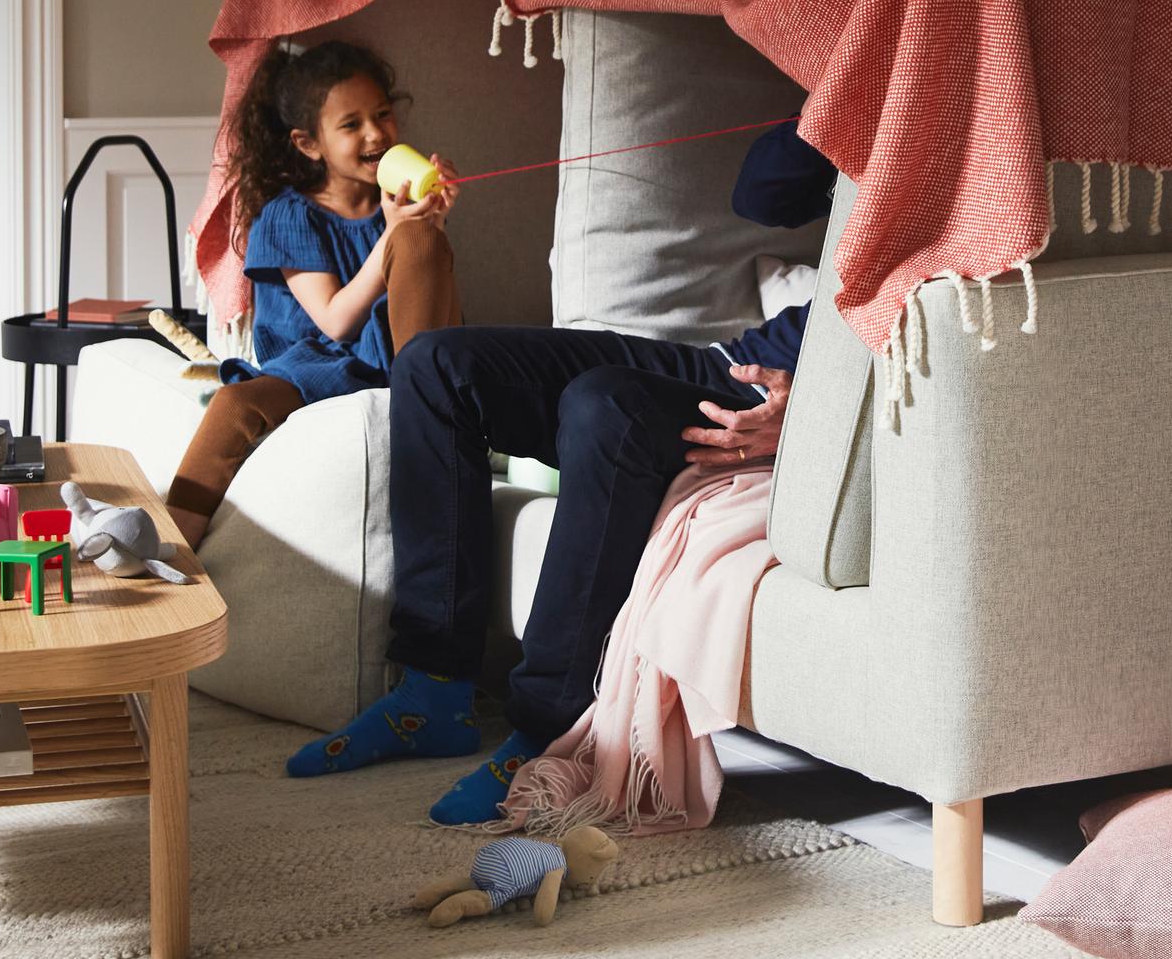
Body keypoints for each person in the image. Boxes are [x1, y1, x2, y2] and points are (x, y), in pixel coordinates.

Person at [286, 120, 838, 825]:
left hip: (788, 393)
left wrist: (814, 409)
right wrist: (845, 89)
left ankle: (547, 730)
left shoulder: (986, 167)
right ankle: (431, 693)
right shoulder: (886, 100)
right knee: (436, 365)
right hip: (726, 362)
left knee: (602, 403)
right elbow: (764, 193)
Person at [165, 41, 463, 550]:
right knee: (235, 405)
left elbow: (438, 315)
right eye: (351, 125)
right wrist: (394, 236)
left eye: (383, 114)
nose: (376, 133)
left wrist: (426, 231)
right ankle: (169, 545)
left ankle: (438, 411)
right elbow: (335, 322)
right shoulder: (289, 215)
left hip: (401, 364)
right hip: (314, 366)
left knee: (422, 241)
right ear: (309, 144)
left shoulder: (398, 211)